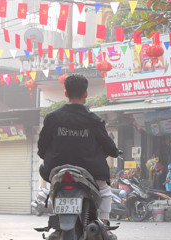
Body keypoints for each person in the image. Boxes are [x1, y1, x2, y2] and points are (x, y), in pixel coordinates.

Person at [36, 74, 121, 226]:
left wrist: (46, 157)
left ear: (66, 93)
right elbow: (108, 146)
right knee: (105, 192)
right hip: (91, 170)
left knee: (52, 185)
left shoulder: (52, 118)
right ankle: (104, 224)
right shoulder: (94, 121)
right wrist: (114, 152)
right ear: (86, 94)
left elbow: (42, 145)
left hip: (56, 168)